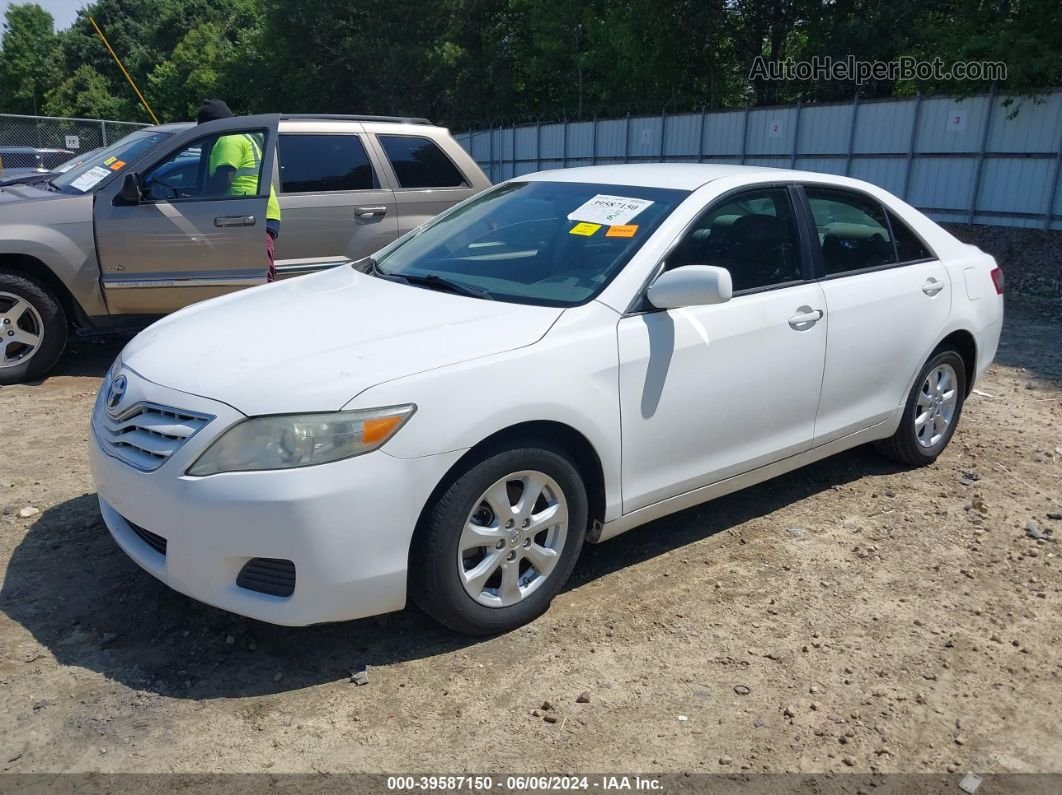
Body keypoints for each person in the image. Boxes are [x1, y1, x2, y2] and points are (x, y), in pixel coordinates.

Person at [196, 99, 282, 282]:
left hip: (249, 216)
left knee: (257, 280)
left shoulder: (228, 139)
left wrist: (197, 199)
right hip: (255, 212)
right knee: (246, 277)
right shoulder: (244, 136)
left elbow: (223, 179)